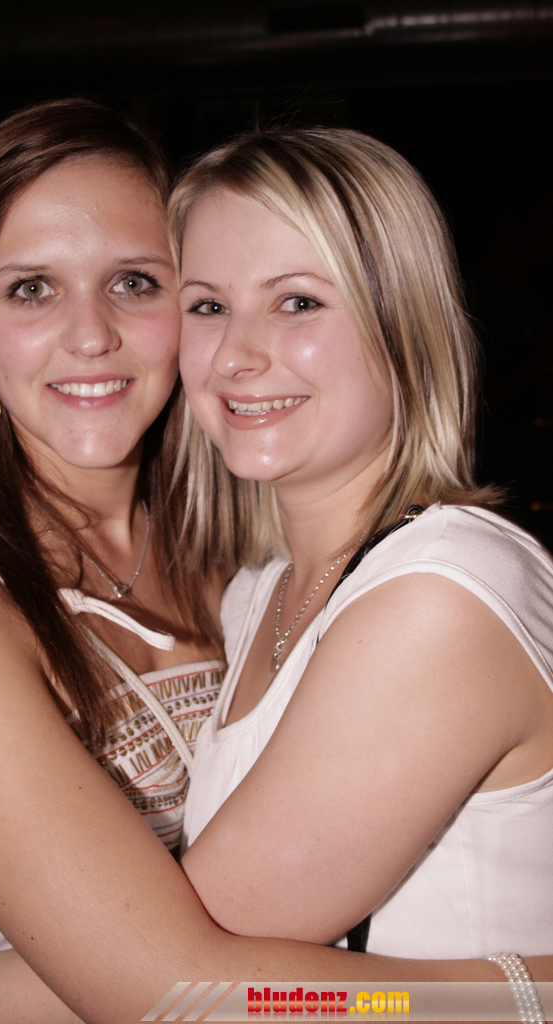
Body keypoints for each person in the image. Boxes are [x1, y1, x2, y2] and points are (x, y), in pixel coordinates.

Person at [0, 118, 551, 1024]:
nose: (89, 335)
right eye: (31, 289)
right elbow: (164, 979)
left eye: (134, 283)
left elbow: (172, 976)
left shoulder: (237, 576)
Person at [172, 126, 553, 959]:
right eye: (207, 306)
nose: (235, 355)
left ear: (402, 325)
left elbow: (174, 973)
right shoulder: (256, 593)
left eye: (297, 302)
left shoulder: (443, 593)